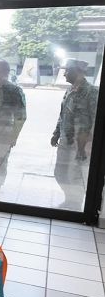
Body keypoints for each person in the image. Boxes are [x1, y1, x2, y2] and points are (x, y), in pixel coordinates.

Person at [51, 59, 98, 210]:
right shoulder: (69, 90)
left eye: (67, 70)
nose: (64, 74)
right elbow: (62, 114)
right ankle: (70, 199)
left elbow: (97, 119)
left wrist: (89, 145)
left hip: (81, 144)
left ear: (78, 71)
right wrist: (56, 133)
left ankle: (75, 205)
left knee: (75, 175)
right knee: (60, 172)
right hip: (65, 141)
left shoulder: (92, 92)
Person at [0, 59, 26, 197]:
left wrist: (13, 137)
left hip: (2, 134)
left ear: (6, 72)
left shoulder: (14, 90)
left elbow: (21, 116)